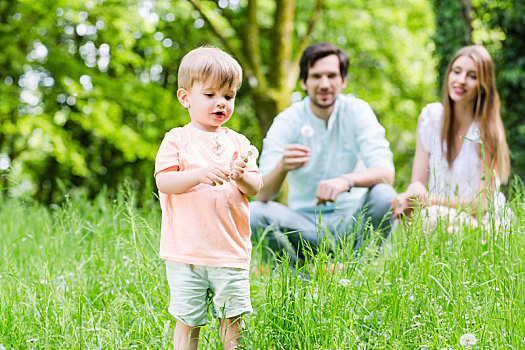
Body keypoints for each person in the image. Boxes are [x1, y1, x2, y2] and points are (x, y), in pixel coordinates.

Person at [154, 47, 263, 350]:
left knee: (233, 320)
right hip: (186, 252)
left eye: (228, 96)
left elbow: (255, 187)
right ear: (185, 97)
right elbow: (164, 181)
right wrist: (199, 174)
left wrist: (240, 175)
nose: (221, 103)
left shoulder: (239, 143)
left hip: (230, 251)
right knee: (188, 319)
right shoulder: (177, 138)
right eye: (211, 94)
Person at [250, 42, 396, 265]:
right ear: (304, 82)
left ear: (343, 80)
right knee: (254, 213)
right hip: (303, 224)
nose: (324, 84)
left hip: (352, 220)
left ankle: (356, 277)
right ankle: (297, 281)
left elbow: (386, 173)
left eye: (332, 75)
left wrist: (346, 181)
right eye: (316, 76)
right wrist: (282, 167)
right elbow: (262, 194)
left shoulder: (358, 111)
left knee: (384, 194)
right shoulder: (287, 121)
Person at [390, 45, 510, 229]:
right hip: (435, 212)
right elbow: (417, 181)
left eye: (472, 76)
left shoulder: (486, 130)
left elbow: (483, 205)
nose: (461, 80)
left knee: (430, 218)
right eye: (457, 71)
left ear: (483, 85)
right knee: (406, 215)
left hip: (478, 221)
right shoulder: (430, 118)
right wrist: (412, 195)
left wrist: (430, 199)